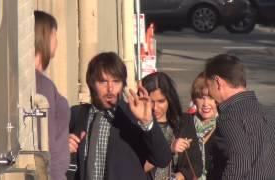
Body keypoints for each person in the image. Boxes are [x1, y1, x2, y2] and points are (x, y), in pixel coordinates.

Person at [68, 52, 171, 180]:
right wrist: (62, 149)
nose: (110, 89)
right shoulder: (77, 114)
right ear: (91, 83)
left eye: (116, 81)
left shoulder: (133, 115)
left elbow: (162, 159)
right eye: (103, 82)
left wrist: (148, 122)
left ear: (123, 84)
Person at [204, 54, 275, 179]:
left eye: (208, 86)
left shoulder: (229, 118)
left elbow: (240, 162)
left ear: (217, 82)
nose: (208, 92)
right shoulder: (269, 113)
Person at [142, 72, 202, 180]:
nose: (155, 107)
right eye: (150, 101)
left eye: (161, 101)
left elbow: (196, 164)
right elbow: (134, 166)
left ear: (170, 99)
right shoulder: (137, 124)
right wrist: (169, 149)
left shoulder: (184, 122)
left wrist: (176, 178)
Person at [35, 10, 70, 180]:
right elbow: (47, 145)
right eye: (55, 35)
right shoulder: (43, 85)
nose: (58, 42)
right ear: (45, 37)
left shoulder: (40, 82)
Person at [190, 72, 218, 180]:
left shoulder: (225, 127)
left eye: (211, 98)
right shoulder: (185, 124)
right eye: (201, 97)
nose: (206, 104)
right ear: (194, 100)